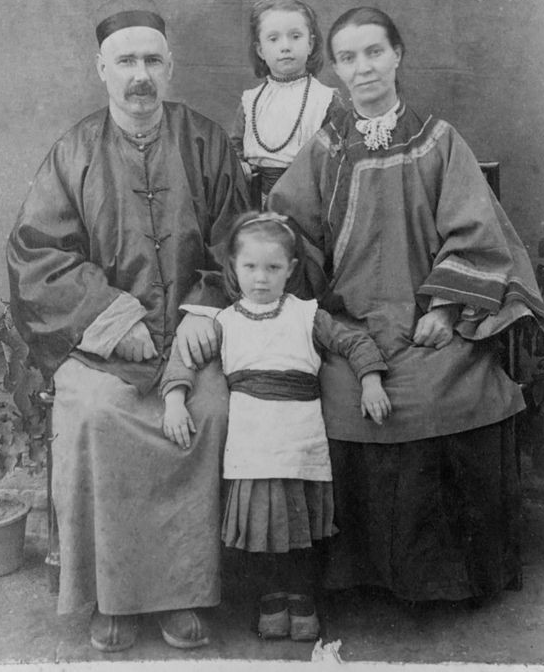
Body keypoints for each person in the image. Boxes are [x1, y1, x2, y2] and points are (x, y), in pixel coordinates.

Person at [268, 7, 544, 606]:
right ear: (335, 68)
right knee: (338, 395)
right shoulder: (326, 149)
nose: (363, 67)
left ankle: (447, 580)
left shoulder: (439, 141)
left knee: (451, 390)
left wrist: (446, 310)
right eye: (348, 57)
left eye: (375, 52)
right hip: (349, 327)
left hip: (429, 323)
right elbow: (288, 234)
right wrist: (310, 308)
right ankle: (357, 576)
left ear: (397, 55)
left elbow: (477, 234)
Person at [6, 0, 249, 652]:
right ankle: (112, 598)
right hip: (102, 347)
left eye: (152, 60)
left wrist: (204, 308)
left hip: (191, 341)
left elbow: (239, 237)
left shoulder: (204, 142)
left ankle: (181, 594)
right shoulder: (74, 152)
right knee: (94, 415)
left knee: (212, 410)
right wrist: (113, 318)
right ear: (101, 69)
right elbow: (37, 255)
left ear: (170, 67)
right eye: (126, 62)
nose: (140, 75)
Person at [160, 211, 390, 640]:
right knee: (261, 530)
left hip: (299, 441)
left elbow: (353, 340)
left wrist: (371, 381)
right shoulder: (224, 321)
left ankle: (302, 601)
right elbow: (184, 357)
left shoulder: (307, 315)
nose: (261, 278)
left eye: (272, 268)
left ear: (291, 270)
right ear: (233, 268)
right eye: (250, 267)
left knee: (300, 529)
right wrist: (175, 401)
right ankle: (270, 600)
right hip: (252, 448)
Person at [230, 0, 343, 207]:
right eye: (273, 39)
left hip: (307, 202)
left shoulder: (325, 100)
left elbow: (337, 159)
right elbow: (235, 148)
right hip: (255, 201)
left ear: (310, 44)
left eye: (295, 36)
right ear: (260, 50)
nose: (285, 46)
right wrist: (240, 165)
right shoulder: (251, 102)